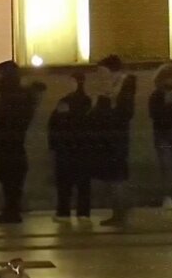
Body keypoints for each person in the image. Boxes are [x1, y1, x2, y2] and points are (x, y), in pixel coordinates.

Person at [0, 61, 45, 224]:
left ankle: (12, 210)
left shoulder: (11, 97)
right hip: (11, 145)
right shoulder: (14, 96)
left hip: (9, 145)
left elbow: (3, 119)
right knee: (11, 179)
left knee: (10, 178)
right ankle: (11, 209)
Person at [87, 55, 136, 227]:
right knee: (113, 178)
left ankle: (120, 211)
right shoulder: (108, 89)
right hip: (108, 139)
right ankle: (118, 211)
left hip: (115, 139)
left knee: (117, 177)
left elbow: (123, 114)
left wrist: (105, 102)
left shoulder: (122, 88)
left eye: (102, 71)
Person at [48, 72, 93, 221]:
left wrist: (53, 144)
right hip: (84, 147)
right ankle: (83, 212)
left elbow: (54, 123)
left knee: (64, 182)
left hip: (65, 147)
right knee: (83, 182)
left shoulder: (65, 102)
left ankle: (64, 212)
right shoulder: (88, 102)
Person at [149, 63, 172, 210]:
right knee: (168, 167)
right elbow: (155, 115)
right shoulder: (157, 95)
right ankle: (170, 196)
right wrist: (168, 106)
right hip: (164, 135)